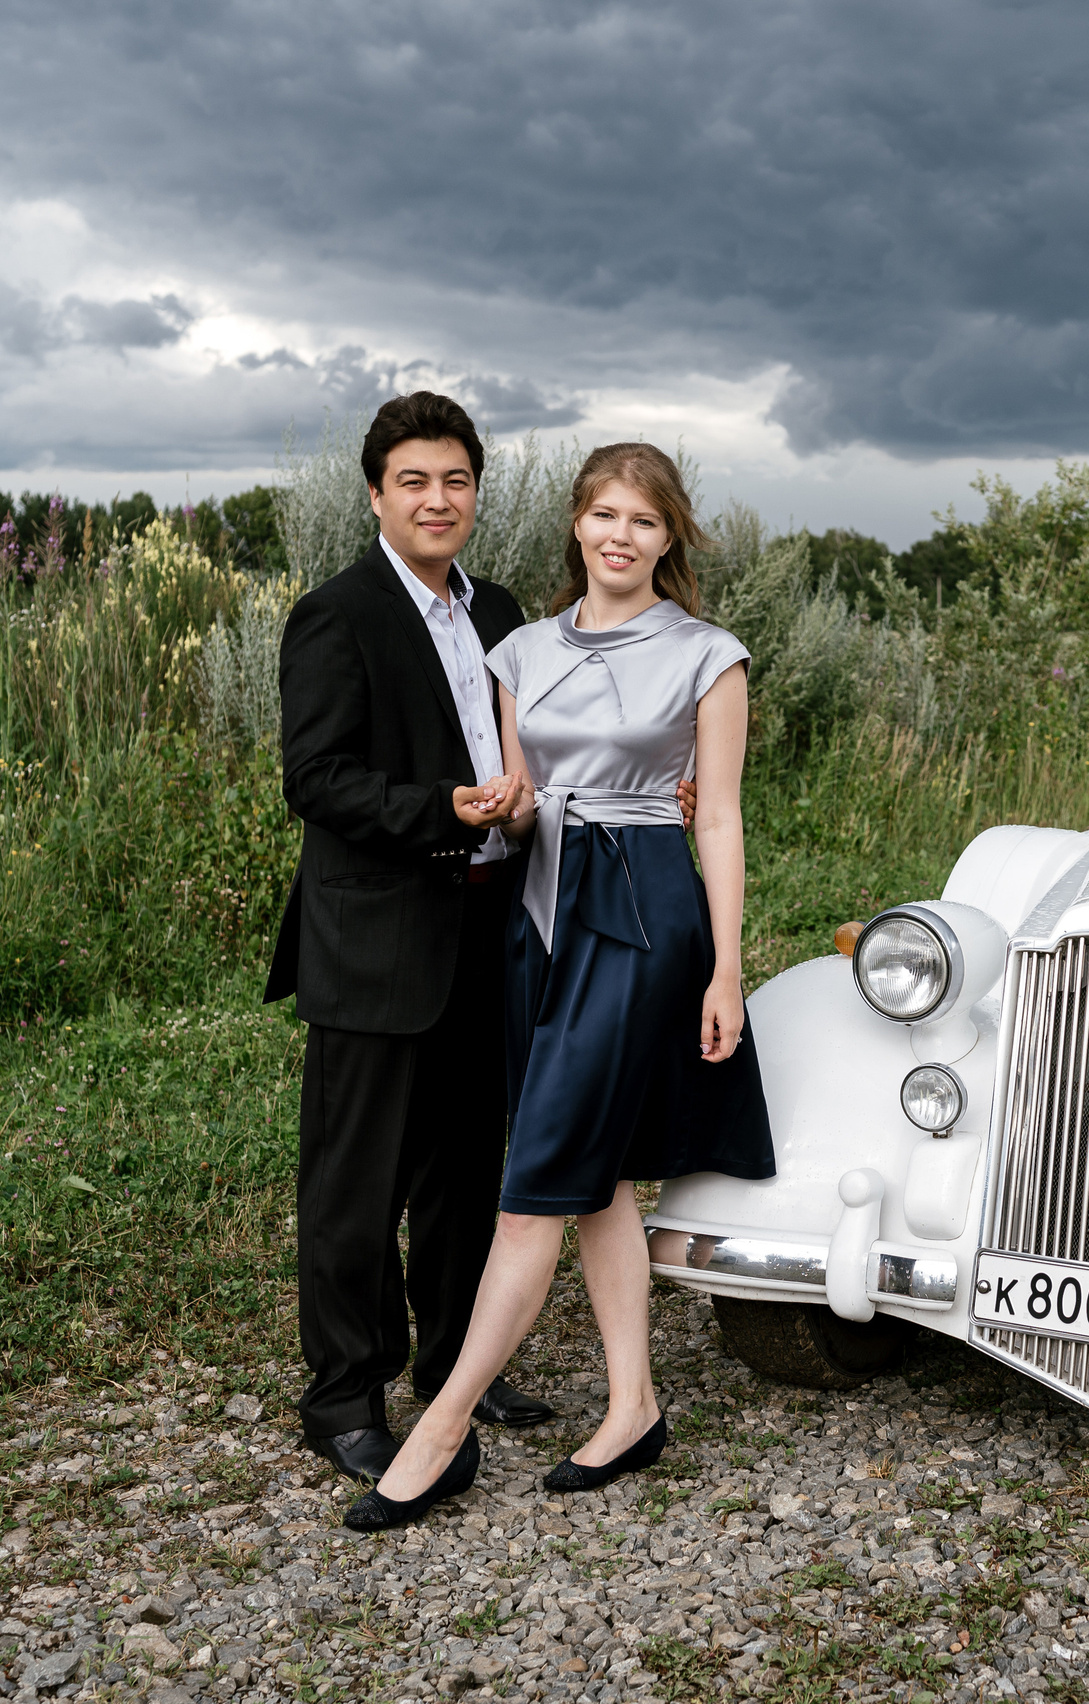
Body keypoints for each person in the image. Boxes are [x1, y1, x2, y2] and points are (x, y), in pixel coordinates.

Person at [345, 443, 775, 1530]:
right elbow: (525, 796)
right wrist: (505, 809)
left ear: (667, 537)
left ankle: (440, 1431)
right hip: (535, 918)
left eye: (642, 519)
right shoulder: (518, 651)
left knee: (534, 1180)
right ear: (576, 527)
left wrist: (727, 966)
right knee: (590, 1178)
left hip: (641, 920)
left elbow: (716, 817)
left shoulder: (707, 655)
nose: (619, 535)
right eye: (602, 515)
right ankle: (632, 1405)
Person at [265, 391, 559, 1484]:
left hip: (490, 926)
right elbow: (318, 780)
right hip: (380, 941)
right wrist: (446, 809)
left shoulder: (503, 614)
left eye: (456, 481)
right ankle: (343, 1394)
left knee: (463, 1176)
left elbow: (540, 747)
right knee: (356, 1186)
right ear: (375, 494)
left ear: (477, 493)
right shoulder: (337, 616)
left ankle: (457, 1370)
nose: (438, 501)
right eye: (414, 482)